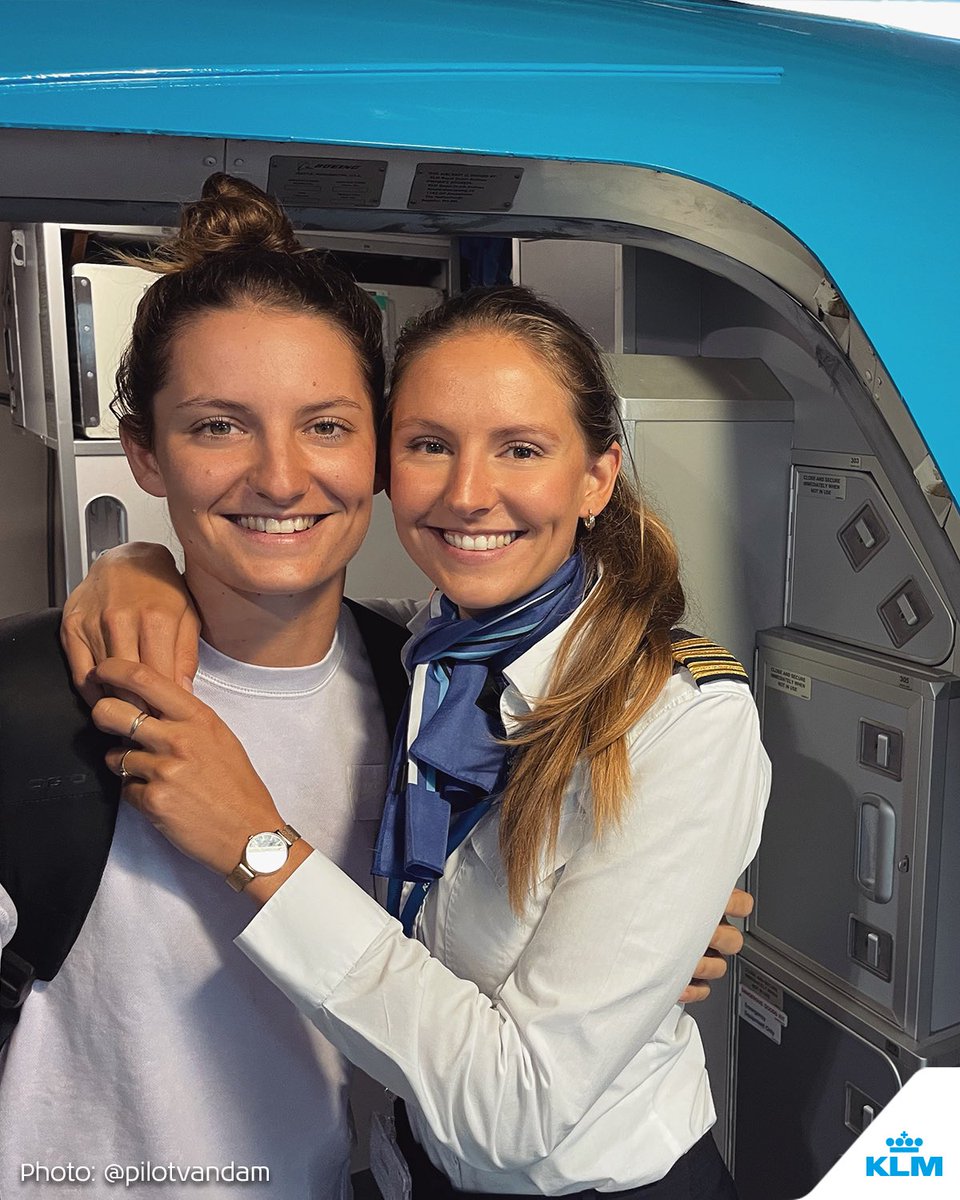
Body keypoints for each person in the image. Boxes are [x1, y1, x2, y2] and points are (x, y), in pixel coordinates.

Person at [1, 176, 745, 1200]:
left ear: (374, 456)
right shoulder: (41, 704)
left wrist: (642, 944)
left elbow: (491, 1020)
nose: (279, 477)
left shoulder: (419, 692)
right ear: (145, 452)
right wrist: (127, 564)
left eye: (326, 426)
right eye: (217, 427)